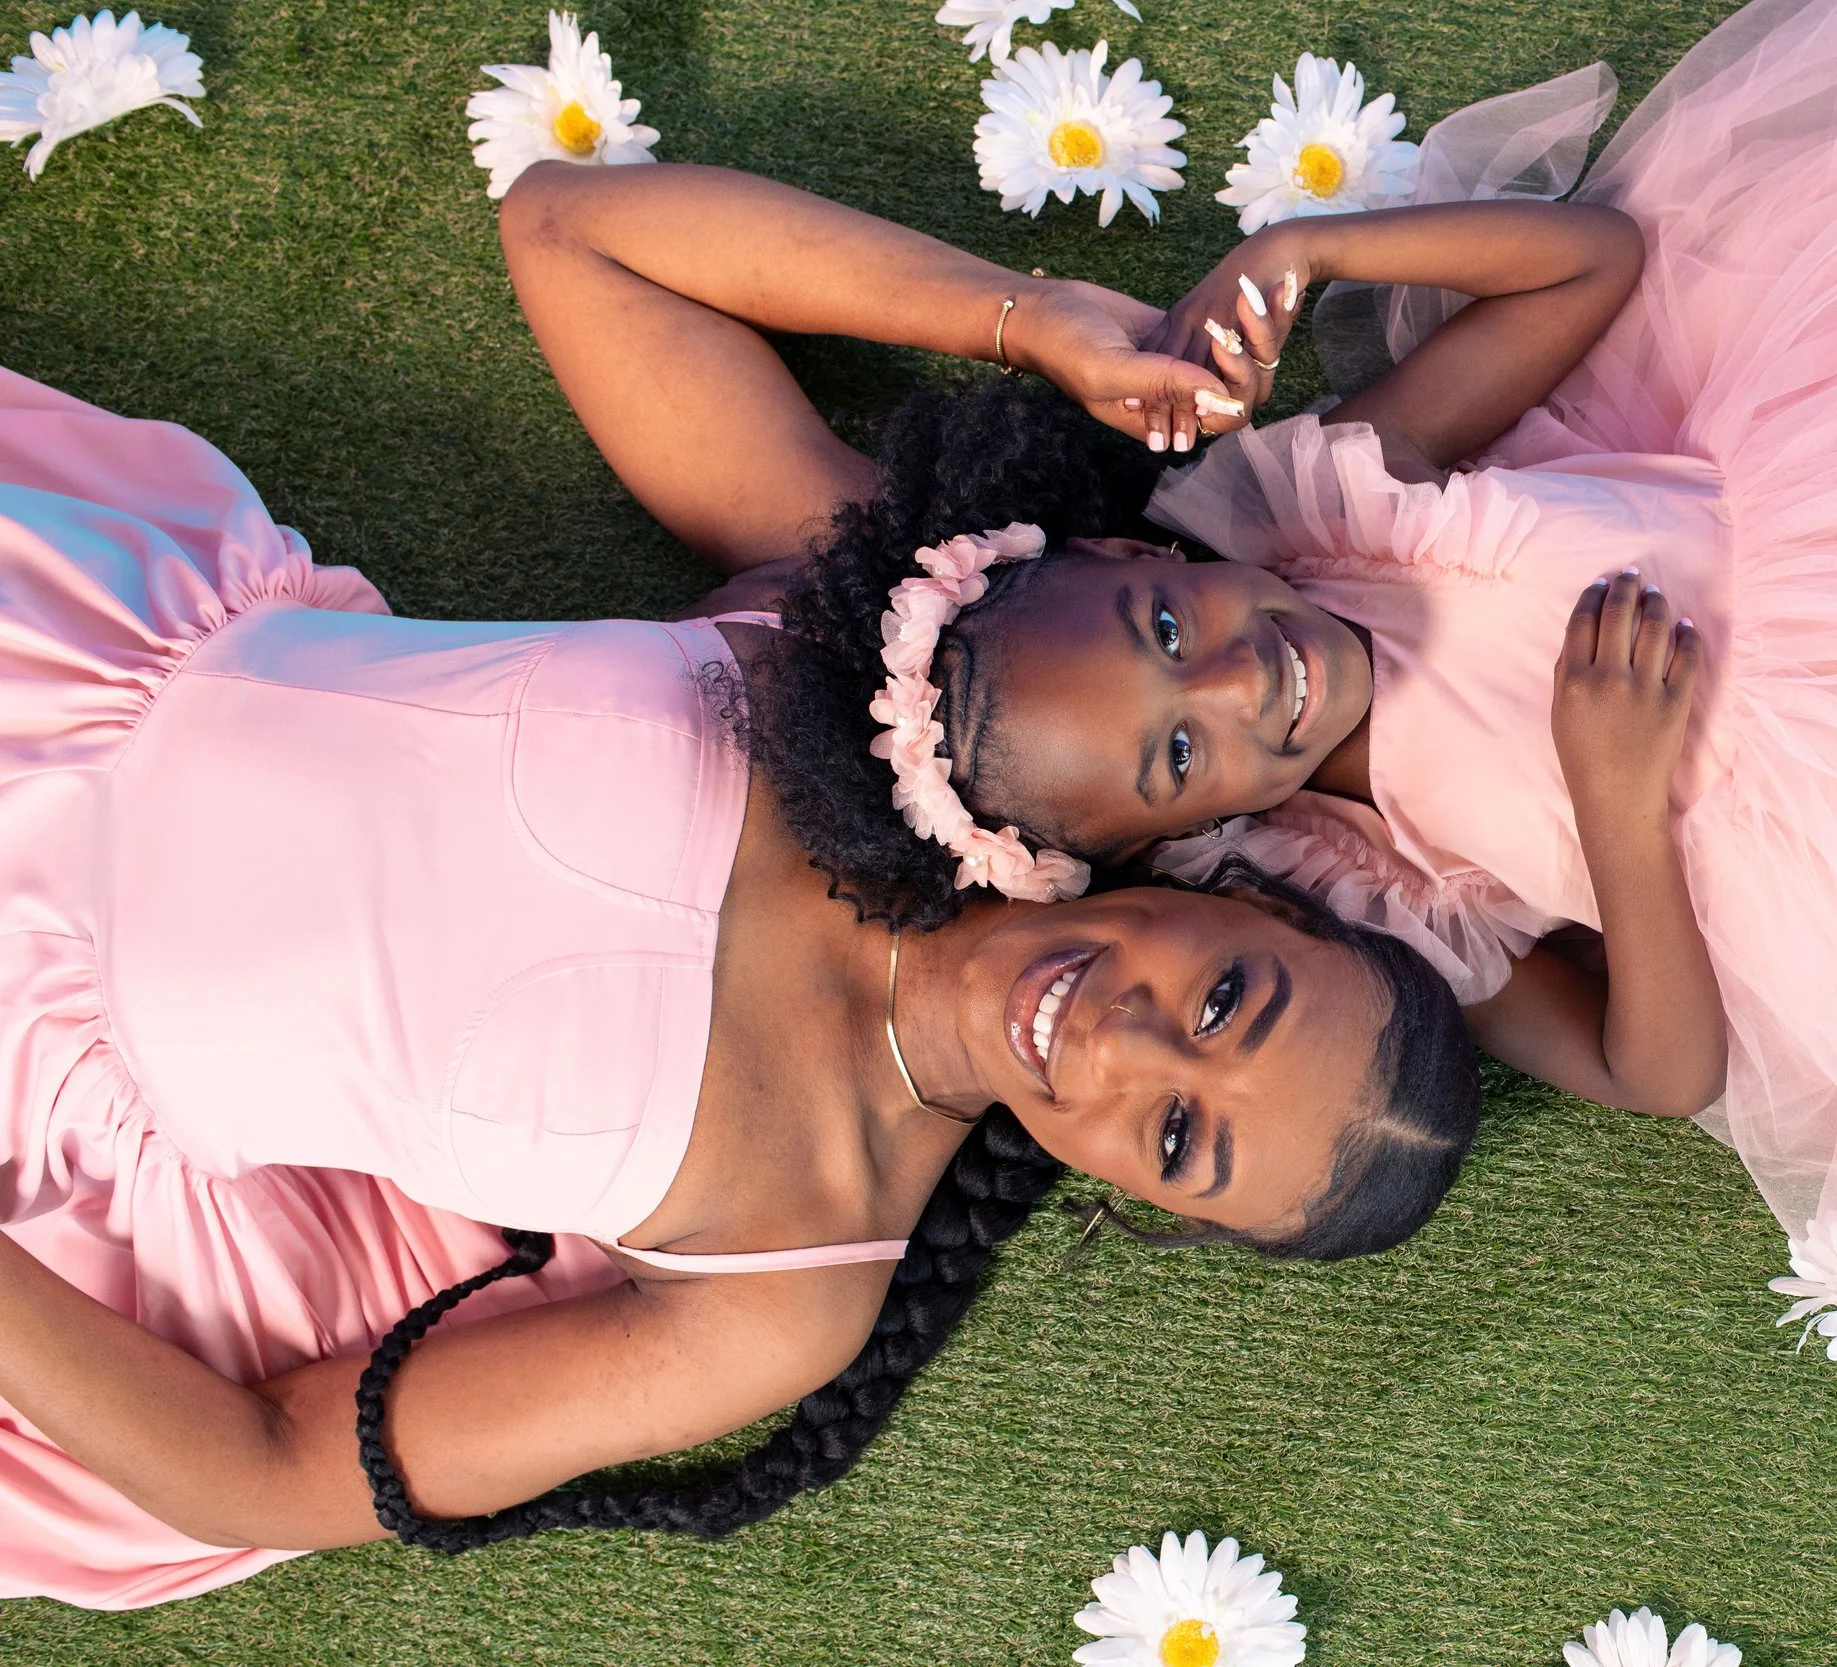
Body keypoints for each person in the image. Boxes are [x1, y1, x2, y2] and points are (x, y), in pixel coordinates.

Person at [553, 0, 1837, 1385]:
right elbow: (1656, 1063)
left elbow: (1581, 267)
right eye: (1175, 752)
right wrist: (1617, 803)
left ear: (1143, 557)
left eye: (1170, 631)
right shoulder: (1360, 886)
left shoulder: (1312, 502)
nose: (1233, 680)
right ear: (1153, 845)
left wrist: (1308, 248)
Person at [0, 346, 1479, 1608]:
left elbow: (263, 1465)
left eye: (1177, 1134)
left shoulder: (789, 1283)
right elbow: (576, 229)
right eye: (1225, 1000)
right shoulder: (904, 675)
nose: (1125, 1038)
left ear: (1140, 1203)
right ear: (1230, 890)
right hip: (56, 641)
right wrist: (1038, 323)